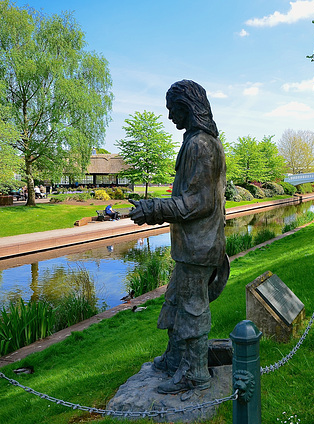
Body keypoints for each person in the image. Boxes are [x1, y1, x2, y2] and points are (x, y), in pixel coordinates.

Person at [129, 80, 227, 394]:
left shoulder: (200, 145)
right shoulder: (195, 141)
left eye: (174, 110)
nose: (171, 117)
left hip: (198, 248)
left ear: (188, 107)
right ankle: (176, 359)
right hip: (191, 247)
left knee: (192, 308)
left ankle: (194, 373)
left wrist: (153, 209)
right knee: (175, 302)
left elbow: (198, 202)